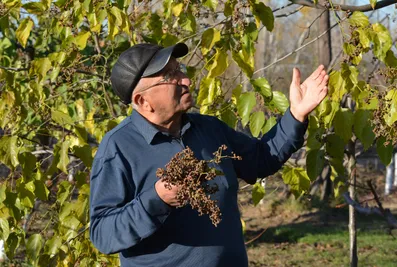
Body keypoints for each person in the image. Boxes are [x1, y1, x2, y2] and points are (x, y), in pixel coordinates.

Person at [89, 42, 329, 267]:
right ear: (143, 101)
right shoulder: (118, 148)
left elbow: (261, 160)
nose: (186, 80)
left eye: (179, 69)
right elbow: (103, 234)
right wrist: (157, 200)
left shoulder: (209, 130)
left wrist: (295, 116)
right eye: (172, 76)